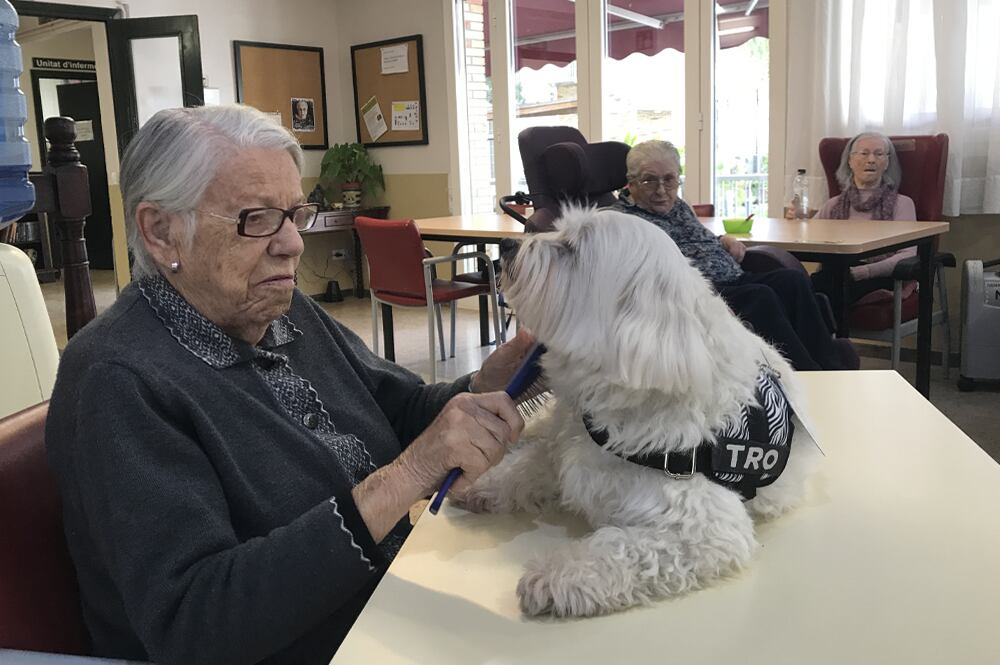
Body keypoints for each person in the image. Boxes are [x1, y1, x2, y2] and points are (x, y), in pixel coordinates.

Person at [44, 105, 533, 665]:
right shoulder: (120, 380)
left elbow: (400, 412)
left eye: (294, 215)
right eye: (256, 219)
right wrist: (408, 476)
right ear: (161, 232)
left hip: (388, 603)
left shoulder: (281, 307)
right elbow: (194, 628)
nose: (293, 245)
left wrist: (493, 382)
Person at [609, 140, 856, 371]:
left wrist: (722, 240)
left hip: (734, 278)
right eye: (649, 181)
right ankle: (804, 375)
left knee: (792, 280)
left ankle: (831, 367)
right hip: (698, 295)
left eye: (669, 179)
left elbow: (695, 240)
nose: (661, 190)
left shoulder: (678, 206)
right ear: (630, 183)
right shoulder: (624, 221)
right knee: (762, 296)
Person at [810, 131, 918, 316]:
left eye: (879, 154)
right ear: (850, 162)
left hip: (880, 276)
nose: (871, 160)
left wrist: (865, 271)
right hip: (837, 272)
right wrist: (797, 221)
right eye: (864, 153)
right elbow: (808, 235)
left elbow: (908, 254)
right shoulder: (833, 204)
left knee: (827, 289)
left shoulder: (903, 204)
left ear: (887, 163)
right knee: (799, 285)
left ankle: (827, 342)